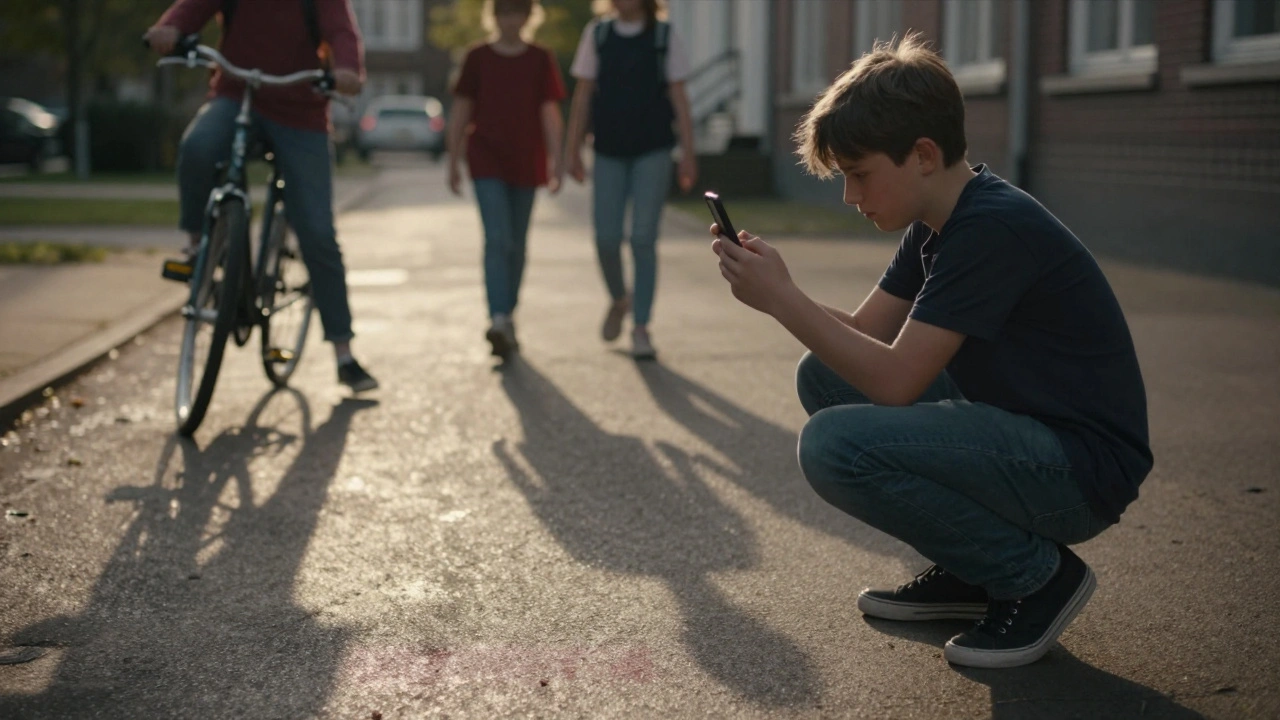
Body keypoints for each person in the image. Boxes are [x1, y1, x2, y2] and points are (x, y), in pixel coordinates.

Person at [709, 34, 1152, 669]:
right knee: (826, 377)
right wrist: (780, 289)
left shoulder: (990, 228)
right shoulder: (938, 219)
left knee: (833, 445)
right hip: (1026, 435)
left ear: (922, 154)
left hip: (1077, 470)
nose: (850, 196)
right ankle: (974, 569)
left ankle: (1034, 577)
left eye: (859, 174)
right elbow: (868, 333)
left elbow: (893, 381)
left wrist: (784, 301)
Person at [144, 0, 378, 392]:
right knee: (199, 147)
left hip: (300, 109)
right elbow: (192, 8)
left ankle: (344, 353)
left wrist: (347, 70)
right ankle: (197, 245)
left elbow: (341, 31)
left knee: (318, 232)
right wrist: (169, 28)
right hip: (238, 95)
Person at [563, 0, 697, 360]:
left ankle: (641, 327)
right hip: (607, 151)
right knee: (606, 237)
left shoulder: (664, 37)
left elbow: (680, 99)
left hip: (653, 151)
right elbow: (583, 95)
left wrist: (688, 153)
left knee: (643, 238)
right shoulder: (599, 34)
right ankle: (619, 299)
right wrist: (572, 149)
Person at [447, 0, 566, 359]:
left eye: (517, 12)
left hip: (527, 161)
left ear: (530, 17)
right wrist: (453, 160)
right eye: (504, 12)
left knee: (516, 244)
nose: (510, 20)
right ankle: (498, 317)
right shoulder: (477, 57)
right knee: (496, 239)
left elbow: (550, 112)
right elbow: (462, 110)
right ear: (493, 16)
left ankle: (507, 315)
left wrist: (557, 161)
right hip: (486, 159)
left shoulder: (540, 58)